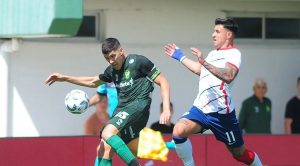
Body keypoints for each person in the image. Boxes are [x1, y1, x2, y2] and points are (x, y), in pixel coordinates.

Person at [45, 37, 171, 166]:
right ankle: (170, 146)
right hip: (121, 110)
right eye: (107, 58)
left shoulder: (138, 61)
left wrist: (166, 108)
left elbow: (163, 81)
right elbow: (93, 81)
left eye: (113, 56)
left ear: (121, 50)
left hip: (138, 105)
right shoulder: (111, 71)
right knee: (103, 148)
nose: (111, 61)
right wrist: (65, 78)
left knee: (107, 133)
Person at [164, 18, 262, 165]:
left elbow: (229, 75)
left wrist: (204, 62)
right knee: (178, 130)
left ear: (228, 35)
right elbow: (200, 70)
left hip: (222, 114)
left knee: (239, 154)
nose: (213, 35)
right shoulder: (212, 54)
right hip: (201, 109)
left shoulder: (234, 54)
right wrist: (180, 56)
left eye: (217, 31)